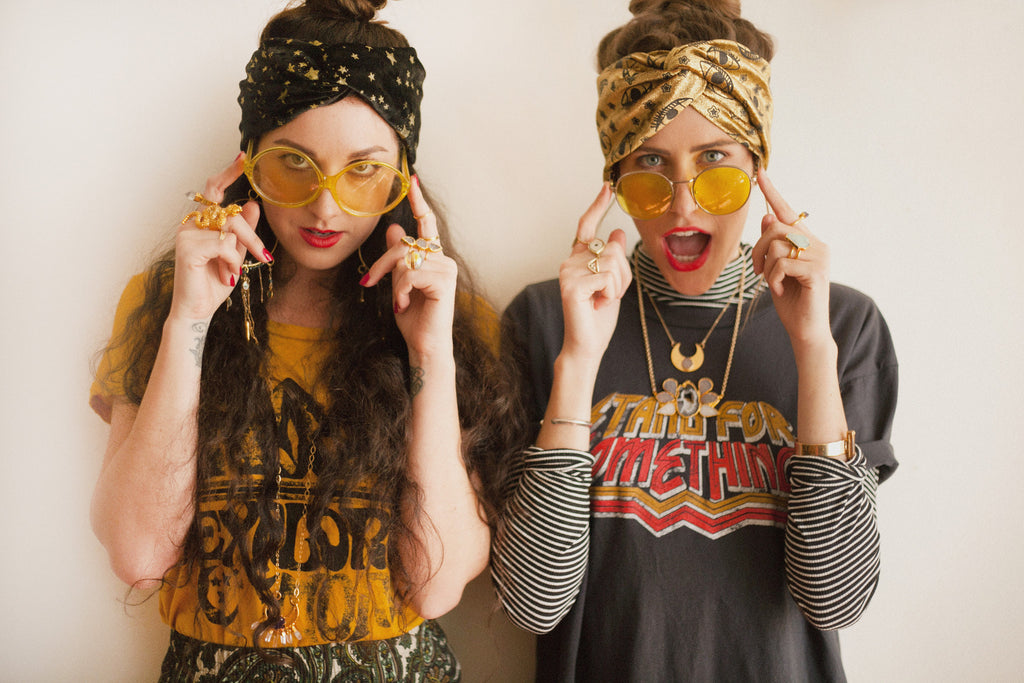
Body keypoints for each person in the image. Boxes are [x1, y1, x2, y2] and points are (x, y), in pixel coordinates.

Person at [89, 0, 520, 679]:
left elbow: (435, 586)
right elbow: (140, 556)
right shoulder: (163, 304)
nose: (326, 205)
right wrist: (190, 320)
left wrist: (429, 353)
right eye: (295, 162)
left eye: (363, 170)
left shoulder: (454, 321)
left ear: (403, 179)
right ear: (249, 163)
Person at [490, 0, 899, 680]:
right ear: (615, 176)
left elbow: (835, 597)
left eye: (715, 160)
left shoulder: (845, 327)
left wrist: (812, 350)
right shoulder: (543, 322)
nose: (683, 204)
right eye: (650, 162)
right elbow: (534, 603)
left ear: (758, 165)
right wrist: (579, 359)